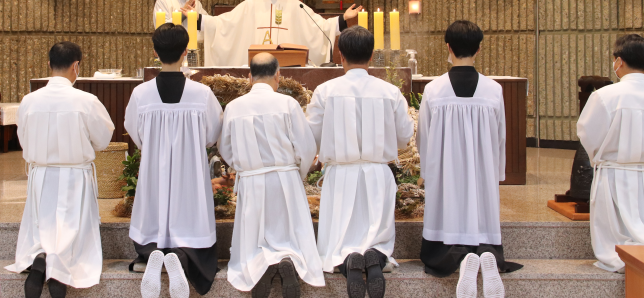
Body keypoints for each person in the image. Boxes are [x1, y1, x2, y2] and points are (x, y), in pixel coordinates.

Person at [306, 26, 413, 298]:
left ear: (340, 56)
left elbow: (311, 137)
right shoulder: (390, 92)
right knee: (376, 232)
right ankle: (375, 258)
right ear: (372, 55)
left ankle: (348, 261)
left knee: (339, 238)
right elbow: (404, 137)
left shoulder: (325, 91)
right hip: (378, 173)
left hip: (340, 175)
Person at [416, 20, 520, 298]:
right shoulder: (493, 89)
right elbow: (501, 136)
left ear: (448, 47)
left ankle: (455, 258)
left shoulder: (434, 89)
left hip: (445, 170)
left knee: (446, 211)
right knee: (480, 209)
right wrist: (496, 172)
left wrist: (427, 171)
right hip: (481, 168)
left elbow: (423, 135)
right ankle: (485, 253)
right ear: (479, 49)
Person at [6, 42, 115, 298]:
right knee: (71, 228)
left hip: (41, 175)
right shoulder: (86, 101)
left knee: (41, 224)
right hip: (75, 176)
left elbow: (24, 140)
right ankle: (60, 267)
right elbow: (103, 139)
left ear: (49, 65)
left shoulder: (29, 101)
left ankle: (40, 256)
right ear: (76, 66)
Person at [125, 23, 224, 298]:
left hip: (154, 169)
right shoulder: (201, 94)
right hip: (190, 170)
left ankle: (153, 251)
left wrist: (154, 146)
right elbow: (213, 134)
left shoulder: (141, 93)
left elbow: (135, 131)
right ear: (184, 53)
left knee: (153, 215)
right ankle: (182, 256)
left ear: (155, 52)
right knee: (191, 219)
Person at [218, 53, 324, 298]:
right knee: (289, 234)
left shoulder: (234, 107)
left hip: (252, 181)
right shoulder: (288, 104)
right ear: (278, 75)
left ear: (249, 77)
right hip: (286, 178)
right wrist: (297, 172)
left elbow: (226, 149)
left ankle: (260, 263)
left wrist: (245, 167)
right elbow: (306, 146)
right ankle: (287, 258)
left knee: (255, 239)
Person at [577, 34, 644, 272]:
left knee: (617, 240)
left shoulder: (605, 96)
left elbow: (588, 135)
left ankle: (623, 256)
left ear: (619, 61)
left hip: (615, 175)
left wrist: (601, 159)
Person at [184, 0, 362, 67]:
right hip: (257, 65)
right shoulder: (250, 5)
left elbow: (320, 26)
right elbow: (224, 24)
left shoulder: (296, 6)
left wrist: (343, 19)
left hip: (287, 65)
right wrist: (197, 18)